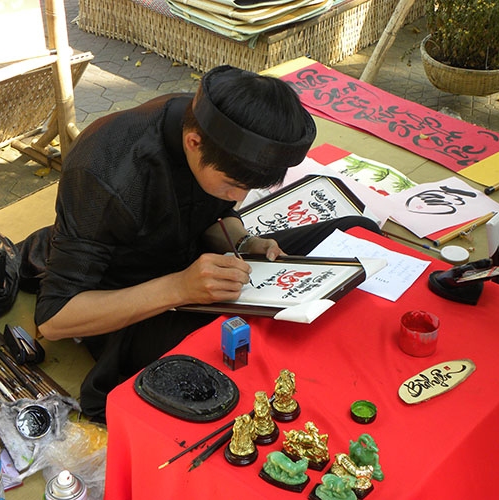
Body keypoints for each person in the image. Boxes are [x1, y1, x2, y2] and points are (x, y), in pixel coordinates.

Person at [22, 65, 380, 420]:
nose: (240, 197)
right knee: (235, 352)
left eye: (249, 188)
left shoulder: (216, 128)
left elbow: (213, 213)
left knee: (355, 228)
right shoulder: (103, 174)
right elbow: (55, 319)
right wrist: (180, 288)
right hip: (129, 298)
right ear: (193, 143)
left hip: (191, 265)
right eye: (233, 185)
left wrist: (243, 241)